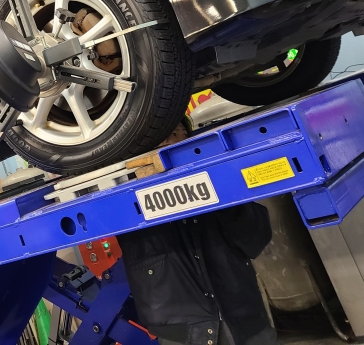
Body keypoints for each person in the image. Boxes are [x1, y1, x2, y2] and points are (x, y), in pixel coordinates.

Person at [117, 124, 276, 345]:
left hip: (246, 321)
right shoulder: (126, 196)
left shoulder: (216, 182)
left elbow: (257, 239)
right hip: (181, 332)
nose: (172, 142)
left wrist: (225, 199)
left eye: (179, 134)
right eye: (164, 135)